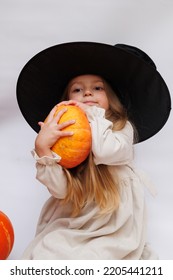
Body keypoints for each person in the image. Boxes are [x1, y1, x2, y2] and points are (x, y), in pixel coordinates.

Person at [16, 42, 171, 259]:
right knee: (47, 253)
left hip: (114, 225)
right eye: (77, 90)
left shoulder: (121, 128)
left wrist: (92, 116)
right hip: (75, 219)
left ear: (111, 99)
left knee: (95, 259)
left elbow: (106, 151)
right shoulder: (65, 137)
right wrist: (43, 148)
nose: (87, 92)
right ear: (68, 101)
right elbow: (60, 191)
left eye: (98, 88)